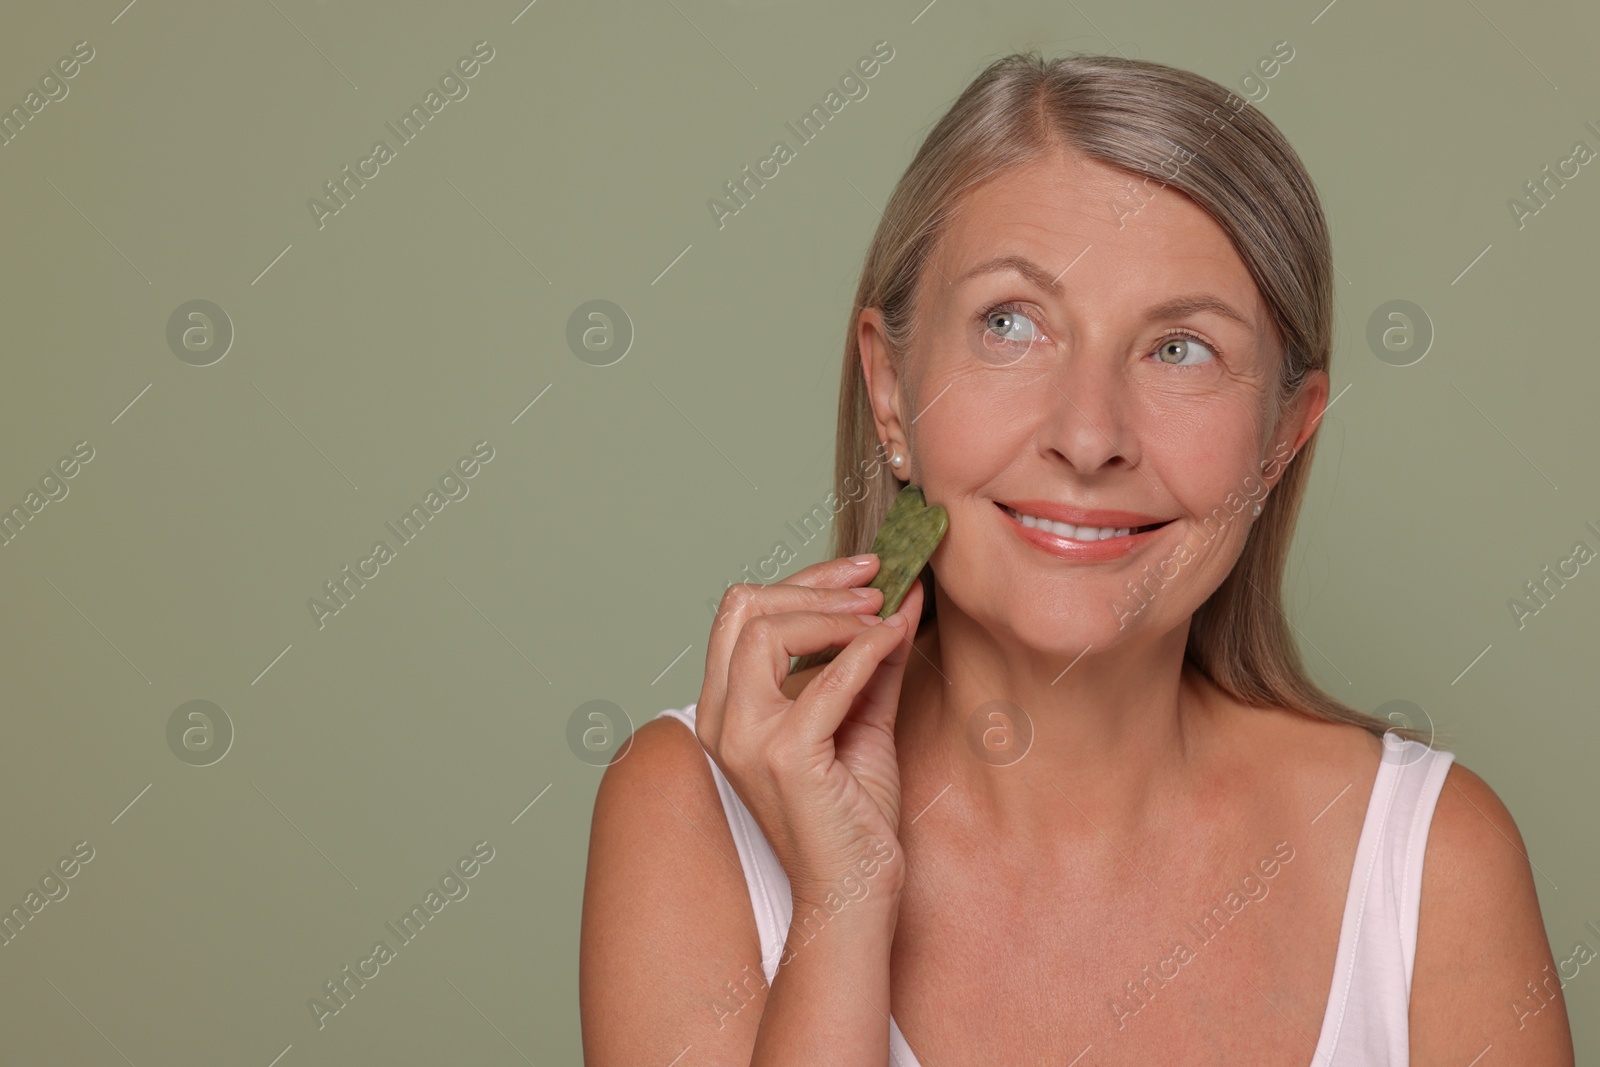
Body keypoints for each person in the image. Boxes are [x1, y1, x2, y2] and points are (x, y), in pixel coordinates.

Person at [580, 52, 1574, 1065]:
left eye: (1179, 347)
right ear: (890, 392)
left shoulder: (1430, 860)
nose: (1088, 434)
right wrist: (840, 904)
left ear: (1281, 438)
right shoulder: (693, 808)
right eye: (1011, 325)